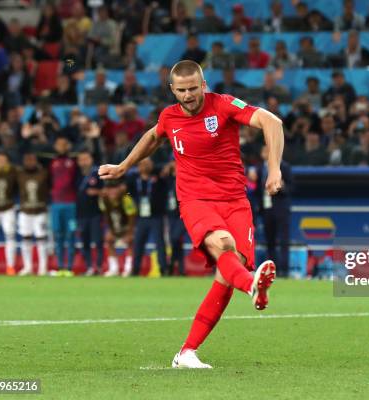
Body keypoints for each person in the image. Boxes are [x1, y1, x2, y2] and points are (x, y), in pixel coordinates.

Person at [98, 60, 283, 369]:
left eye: (193, 88)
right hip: (195, 198)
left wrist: (274, 168)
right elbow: (153, 137)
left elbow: (272, 122)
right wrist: (123, 166)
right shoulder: (169, 116)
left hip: (235, 199)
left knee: (226, 273)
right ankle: (252, 284)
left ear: (203, 84)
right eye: (181, 90)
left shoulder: (223, 105)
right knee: (223, 245)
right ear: (173, 89)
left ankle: (186, 352)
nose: (188, 96)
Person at [128, 157, 169, 276]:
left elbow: (165, 190)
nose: (145, 166)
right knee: (138, 243)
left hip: (156, 216)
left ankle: (164, 269)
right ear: (138, 167)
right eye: (142, 164)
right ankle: (135, 270)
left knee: (160, 243)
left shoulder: (158, 179)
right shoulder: (134, 180)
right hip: (141, 217)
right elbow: (127, 193)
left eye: (148, 163)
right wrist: (132, 199)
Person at [256, 146, 292, 278]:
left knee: (283, 240)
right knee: (269, 241)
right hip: (266, 209)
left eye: (266, 151)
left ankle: (284, 270)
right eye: (263, 151)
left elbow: (292, 188)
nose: (264, 153)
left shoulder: (284, 166)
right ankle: (272, 270)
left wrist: (282, 186)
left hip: (281, 208)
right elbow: (258, 191)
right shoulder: (261, 168)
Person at [17, 152, 49, 276]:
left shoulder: (43, 174)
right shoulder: (19, 174)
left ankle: (43, 267)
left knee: (41, 238)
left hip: (40, 211)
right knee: (26, 238)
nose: (30, 162)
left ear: (36, 161)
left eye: (32, 160)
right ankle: (28, 267)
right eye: (27, 160)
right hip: (25, 211)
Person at [50, 137, 78, 276]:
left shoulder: (73, 162)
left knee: (70, 235)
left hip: (70, 204)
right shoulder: (52, 162)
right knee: (58, 236)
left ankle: (70, 268)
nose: (61, 147)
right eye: (58, 144)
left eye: (64, 144)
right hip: (56, 204)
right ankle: (60, 267)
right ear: (55, 146)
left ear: (68, 146)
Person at [76, 149, 104, 276]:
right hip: (81, 214)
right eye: (81, 160)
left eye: (86, 159)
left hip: (96, 213)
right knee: (85, 242)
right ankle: (88, 267)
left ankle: (98, 267)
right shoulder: (76, 175)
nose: (84, 162)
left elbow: (106, 191)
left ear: (91, 160)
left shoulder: (97, 173)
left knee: (98, 241)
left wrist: (97, 192)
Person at [99, 180, 136, 277]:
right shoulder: (103, 199)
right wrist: (110, 230)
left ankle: (128, 269)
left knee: (130, 242)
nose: (112, 191)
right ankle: (113, 268)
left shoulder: (126, 198)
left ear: (120, 188)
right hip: (115, 225)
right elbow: (106, 215)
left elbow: (132, 216)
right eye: (109, 189)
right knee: (108, 239)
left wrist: (129, 233)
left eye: (114, 188)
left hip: (127, 225)